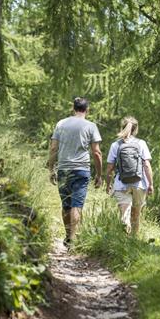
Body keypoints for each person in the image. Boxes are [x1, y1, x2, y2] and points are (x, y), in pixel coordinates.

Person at [48, 97, 103, 247]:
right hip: (81, 170)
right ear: (87, 110)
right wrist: (99, 175)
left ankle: (67, 236)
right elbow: (96, 152)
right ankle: (73, 239)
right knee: (76, 205)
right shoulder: (91, 126)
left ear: (73, 108)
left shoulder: (61, 124)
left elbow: (53, 148)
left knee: (66, 205)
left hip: (64, 169)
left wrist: (51, 169)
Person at [105, 116, 154, 235]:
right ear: (136, 129)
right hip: (139, 184)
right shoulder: (141, 143)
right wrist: (150, 184)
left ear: (122, 128)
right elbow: (146, 165)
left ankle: (123, 241)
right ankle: (133, 242)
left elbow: (110, 168)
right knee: (136, 216)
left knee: (124, 214)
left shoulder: (115, 145)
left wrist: (108, 184)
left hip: (122, 184)